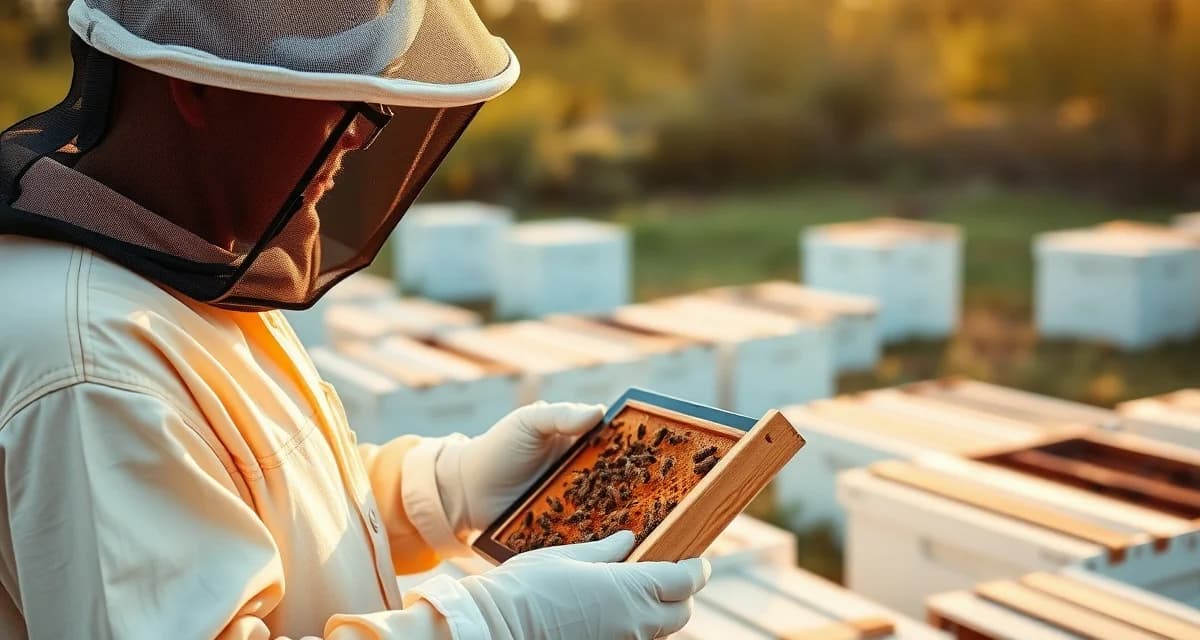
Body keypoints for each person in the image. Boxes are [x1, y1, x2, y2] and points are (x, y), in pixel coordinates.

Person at [0, 1, 709, 638]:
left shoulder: (174, 266)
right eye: (341, 95)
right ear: (199, 85)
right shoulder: (90, 368)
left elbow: (250, 506)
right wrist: (498, 626)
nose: (360, 136)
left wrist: (444, 490)